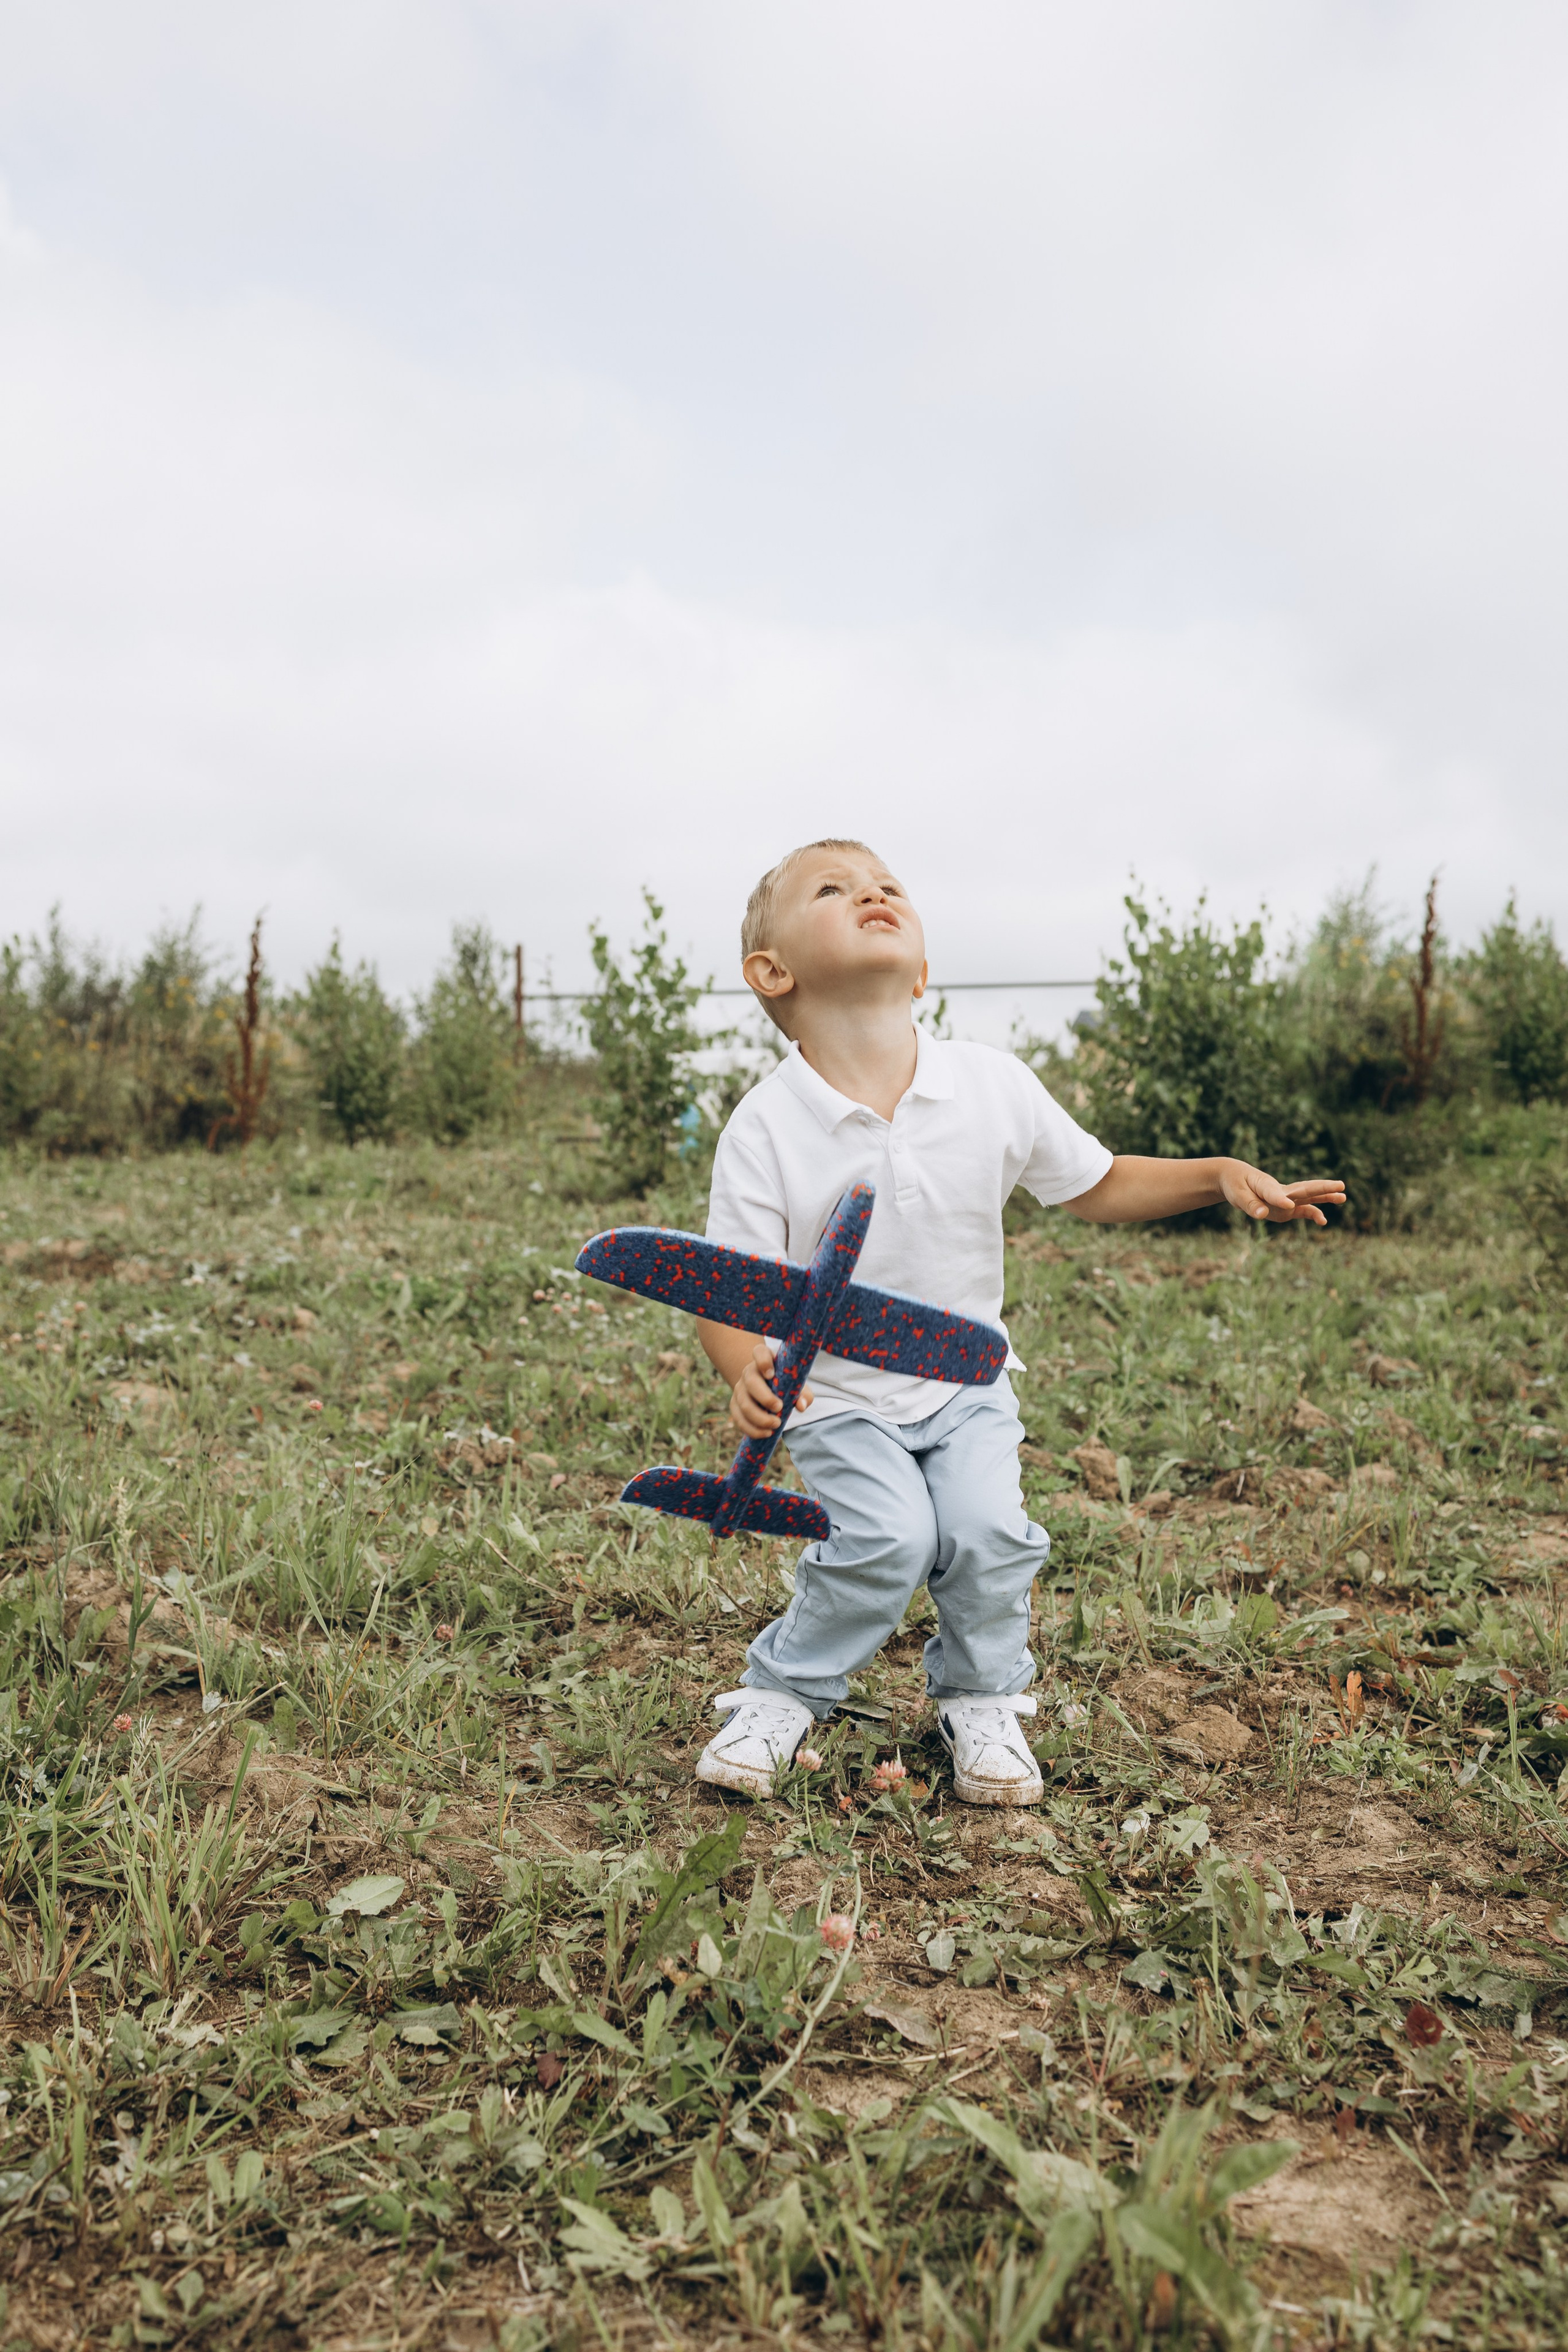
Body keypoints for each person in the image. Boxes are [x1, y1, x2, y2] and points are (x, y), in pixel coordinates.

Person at [693, 839, 1344, 1805]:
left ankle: (983, 1698)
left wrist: (1213, 1176)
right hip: (836, 1398)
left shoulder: (990, 1083)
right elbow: (730, 1290)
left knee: (990, 1535)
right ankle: (784, 1689)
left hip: (966, 1385)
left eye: (886, 886)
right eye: (833, 890)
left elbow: (1098, 1181)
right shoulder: (765, 1126)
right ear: (771, 971)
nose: (871, 892)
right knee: (886, 1544)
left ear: (921, 968)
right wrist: (748, 1369)